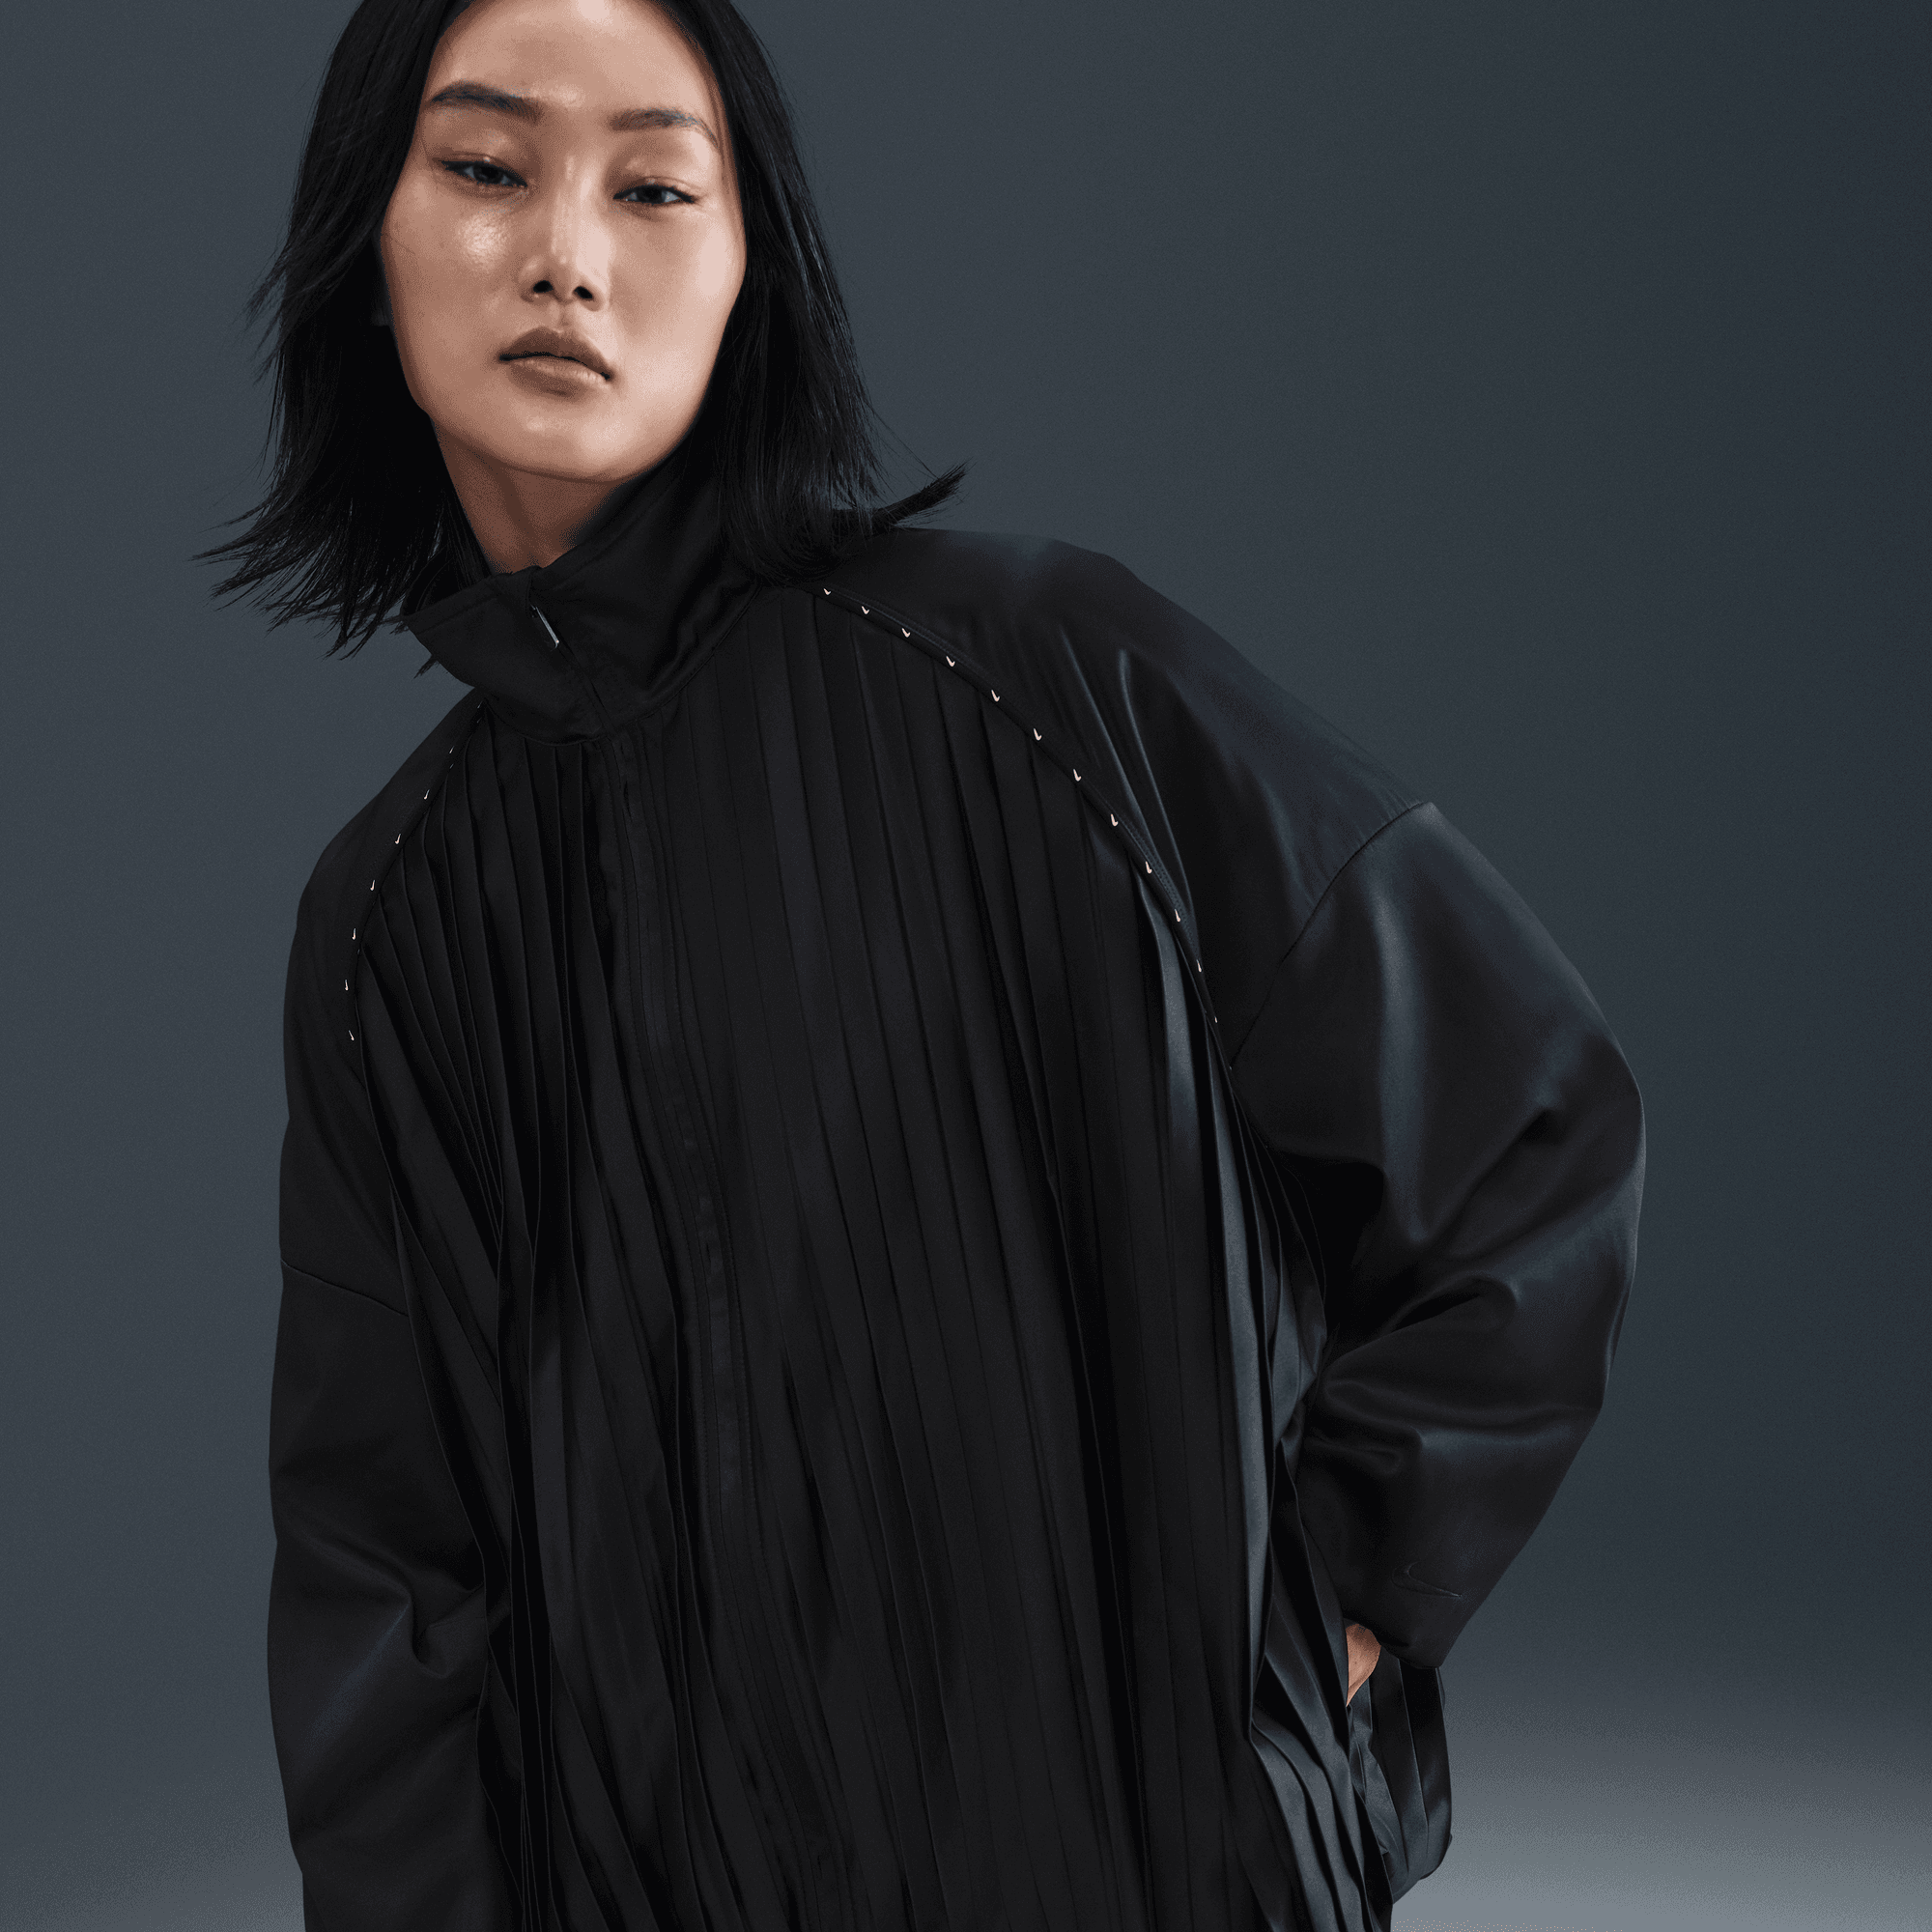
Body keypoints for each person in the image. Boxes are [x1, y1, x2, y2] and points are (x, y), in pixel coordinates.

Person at [213, 0, 1645, 1926]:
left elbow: (1529, 1129)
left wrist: (1328, 1624)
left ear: (755, 269)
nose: (565, 253)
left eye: (655, 187)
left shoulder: (1048, 678)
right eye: (484, 167)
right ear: (363, 243)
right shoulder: (388, 922)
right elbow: (388, 1585)